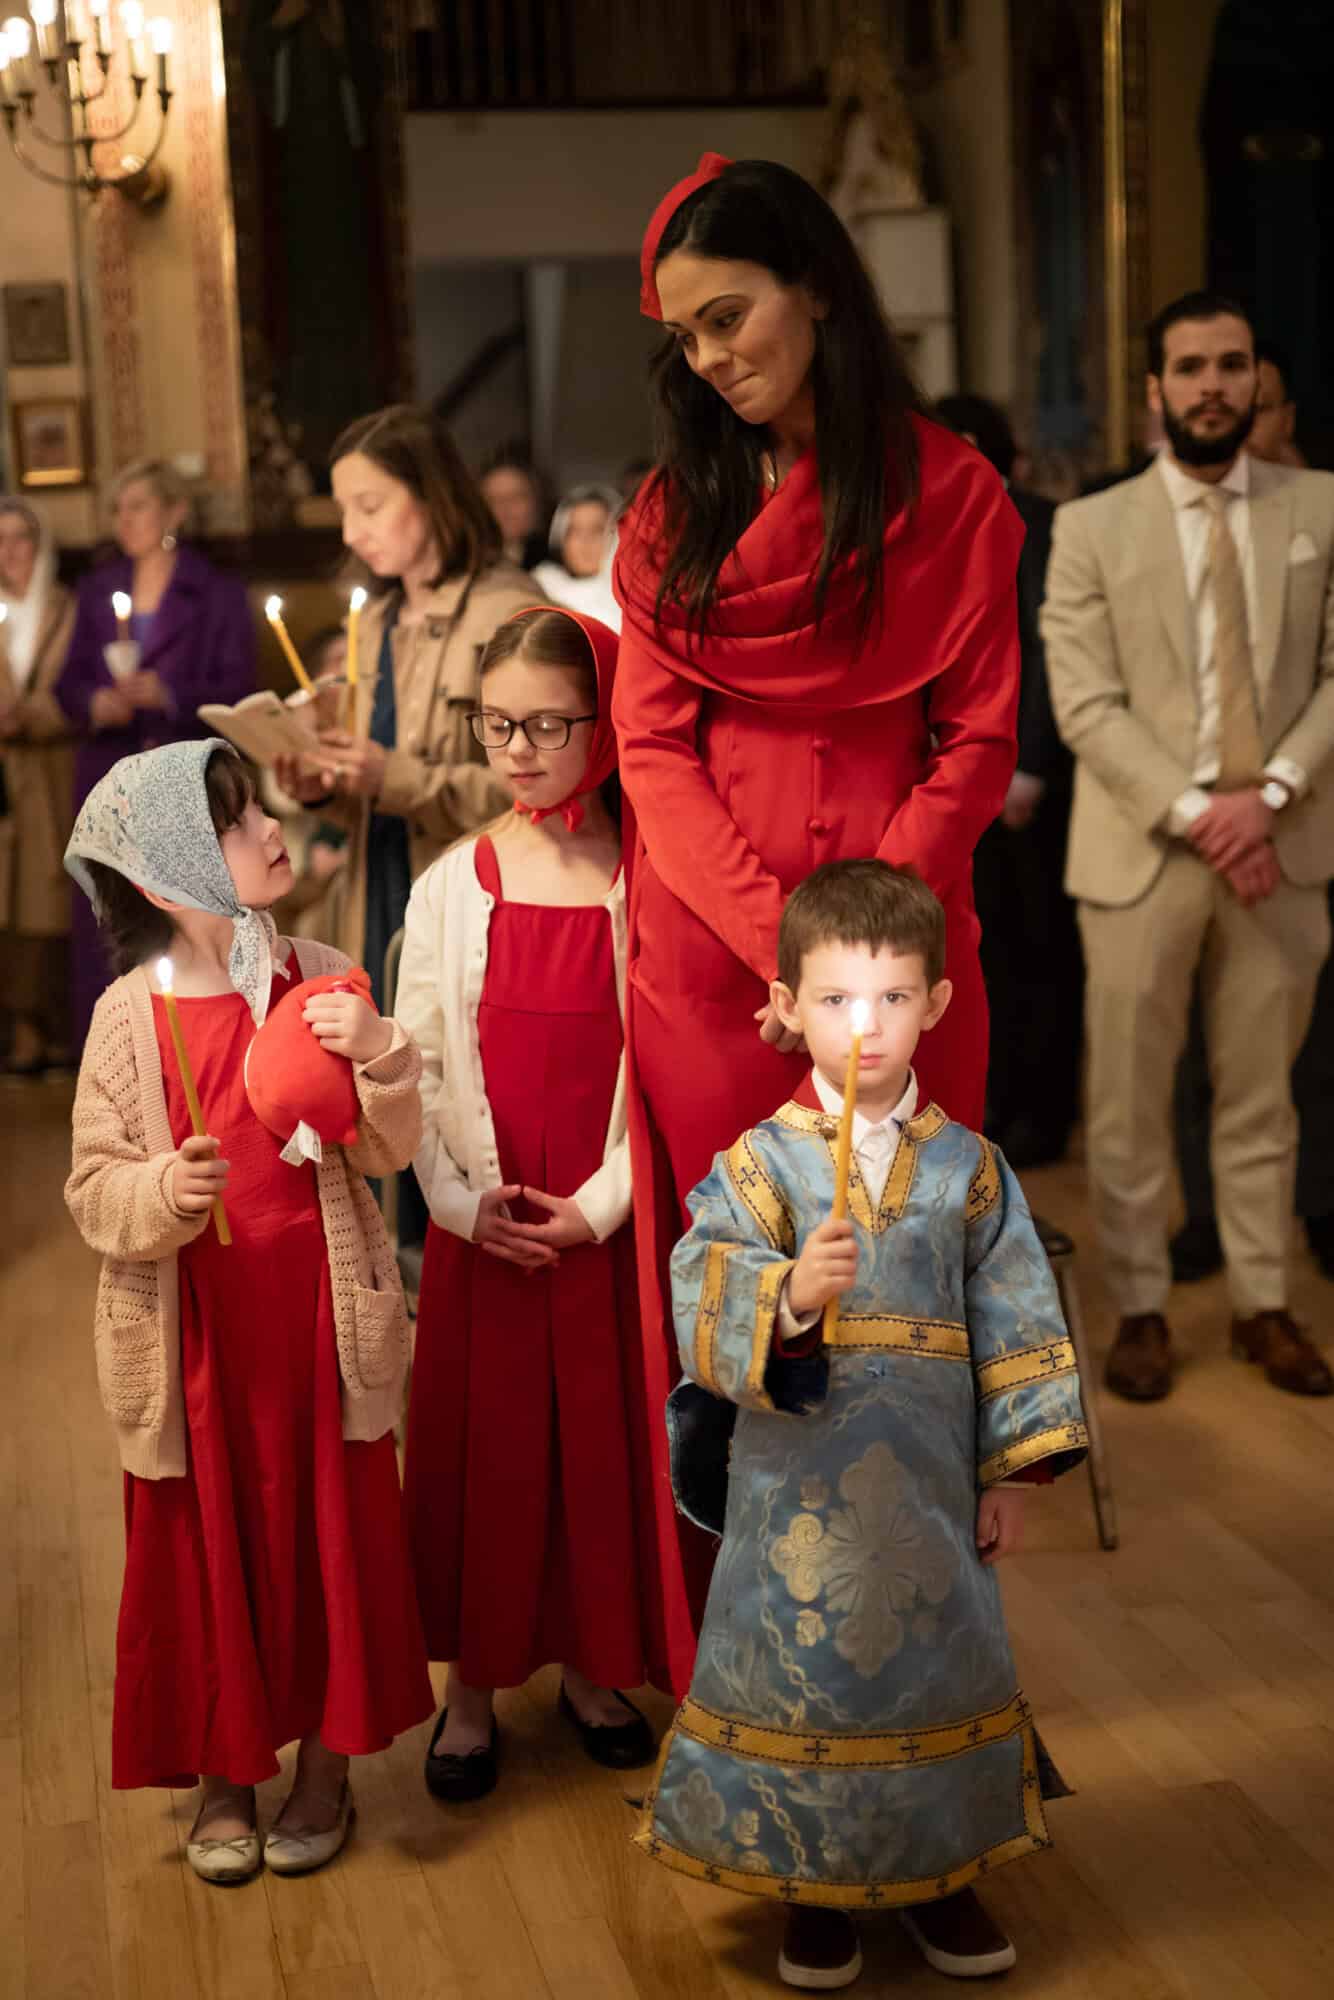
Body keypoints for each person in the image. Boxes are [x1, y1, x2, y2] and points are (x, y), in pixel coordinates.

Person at [612, 153, 1023, 1692]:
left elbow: (973, 742)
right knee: (744, 1325)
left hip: (898, 969)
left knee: (906, 1314)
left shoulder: (952, 495)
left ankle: (909, 1689)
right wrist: (775, 951)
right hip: (715, 982)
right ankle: (746, 1681)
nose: (710, 357)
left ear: (818, 290)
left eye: (728, 316)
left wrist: (859, 964)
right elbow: (650, 748)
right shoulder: (674, 510)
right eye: (685, 335)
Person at [637, 859, 1087, 1991]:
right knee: (811, 1673)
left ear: (935, 1000)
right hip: (795, 1495)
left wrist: (1009, 1475)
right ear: (788, 1006)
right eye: (836, 999)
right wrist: (789, 1293)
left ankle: (942, 1870)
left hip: (929, 1493)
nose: (866, 1025)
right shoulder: (758, 1165)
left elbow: (1017, 1314)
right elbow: (698, 1288)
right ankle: (809, 1882)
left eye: (892, 997)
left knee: (934, 1667)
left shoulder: (969, 1170)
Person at [63, 740, 432, 1886]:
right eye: (236, 822)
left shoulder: (319, 977)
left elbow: (388, 1148)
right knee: (205, 1550)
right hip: (197, 1347)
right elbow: (93, 1188)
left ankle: (325, 1766)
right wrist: (159, 1191)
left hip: (317, 1327)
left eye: (262, 810)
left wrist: (380, 1052)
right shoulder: (128, 1017)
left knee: (326, 1539)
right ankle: (225, 1771)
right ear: (169, 871)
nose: (272, 828)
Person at [1041, 290, 1334, 1403]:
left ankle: (1263, 1302)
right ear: (1155, 389)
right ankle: (1141, 1306)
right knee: (1126, 1100)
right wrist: (1205, 813)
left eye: (1232, 365)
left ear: (1257, 380)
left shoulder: (1319, 506)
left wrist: (1272, 793)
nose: (1213, 385)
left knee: (1262, 1095)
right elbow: (1084, 702)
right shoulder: (1089, 527)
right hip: (1142, 852)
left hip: (1281, 844)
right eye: (1191, 367)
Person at [396, 605, 663, 1802]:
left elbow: (659, 1070)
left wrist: (601, 1205)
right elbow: (415, 1066)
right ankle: (473, 1685)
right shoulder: (452, 883)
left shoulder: (644, 878)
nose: (517, 748)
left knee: (590, 1448)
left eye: (547, 724)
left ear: (603, 723)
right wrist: (461, 1206)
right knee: (491, 1452)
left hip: (594, 1217)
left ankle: (593, 1664)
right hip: (489, 1216)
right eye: (496, 723)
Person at [1170, 338, 1334, 1284]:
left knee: (1311, 1040)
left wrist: (1279, 795)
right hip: (1204, 830)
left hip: (1312, 819)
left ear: (1284, 418)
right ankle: (1206, 1220)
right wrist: (1231, 818)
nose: (1231, 409)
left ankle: (1316, 1206)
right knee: (1202, 1041)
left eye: (1257, 401)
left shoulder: (1318, 513)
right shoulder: (1165, 518)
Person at [55, 458, 256, 1048]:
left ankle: (194, 1044)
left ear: (176, 511)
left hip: (185, 776)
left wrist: (169, 695)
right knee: (107, 913)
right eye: (118, 508)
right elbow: (68, 684)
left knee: (185, 914)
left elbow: (239, 689)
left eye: (139, 505)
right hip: (110, 774)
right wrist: (97, 702)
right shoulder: (97, 589)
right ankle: (113, 1046)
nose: (125, 519)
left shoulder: (216, 593)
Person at [935, 394, 1082, 1166]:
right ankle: (991, 1105)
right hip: (957, 780)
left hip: (1029, 779)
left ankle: (1044, 1115)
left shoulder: (1040, 522)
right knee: (980, 950)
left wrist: (1028, 764)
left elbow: (1049, 649)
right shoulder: (928, 524)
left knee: (1042, 950)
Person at [0, 498, 77, 1074]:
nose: (9, 552)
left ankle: (55, 1024)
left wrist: (32, 716)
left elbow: (81, 686)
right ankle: (20, 1028)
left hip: (52, 772)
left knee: (48, 899)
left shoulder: (66, 609)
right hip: (4, 774)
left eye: (20, 538)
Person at [533, 482, 623, 629]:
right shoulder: (540, 589)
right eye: (574, 531)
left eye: (597, 530)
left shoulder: (632, 601)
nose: (585, 541)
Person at [479, 446, 550, 570]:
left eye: (516, 497)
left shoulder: (558, 568)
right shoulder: (464, 566)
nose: (505, 507)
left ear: (537, 503)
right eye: (493, 499)